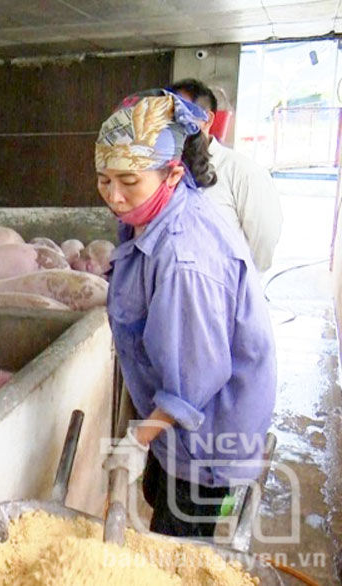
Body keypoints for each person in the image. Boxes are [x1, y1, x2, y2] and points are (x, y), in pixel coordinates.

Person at [97, 89, 276, 538]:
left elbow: (195, 380)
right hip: (179, 428)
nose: (114, 196)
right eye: (104, 179)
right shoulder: (154, 213)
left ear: (173, 173)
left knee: (178, 546)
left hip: (209, 437)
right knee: (161, 502)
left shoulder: (184, 257)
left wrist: (136, 440)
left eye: (129, 181)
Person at [170, 78, 283, 272]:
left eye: (182, 114)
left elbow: (263, 242)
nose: (173, 123)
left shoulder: (243, 172)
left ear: (208, 119)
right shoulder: (160, 170)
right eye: (169, 115)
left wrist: (237, 285)